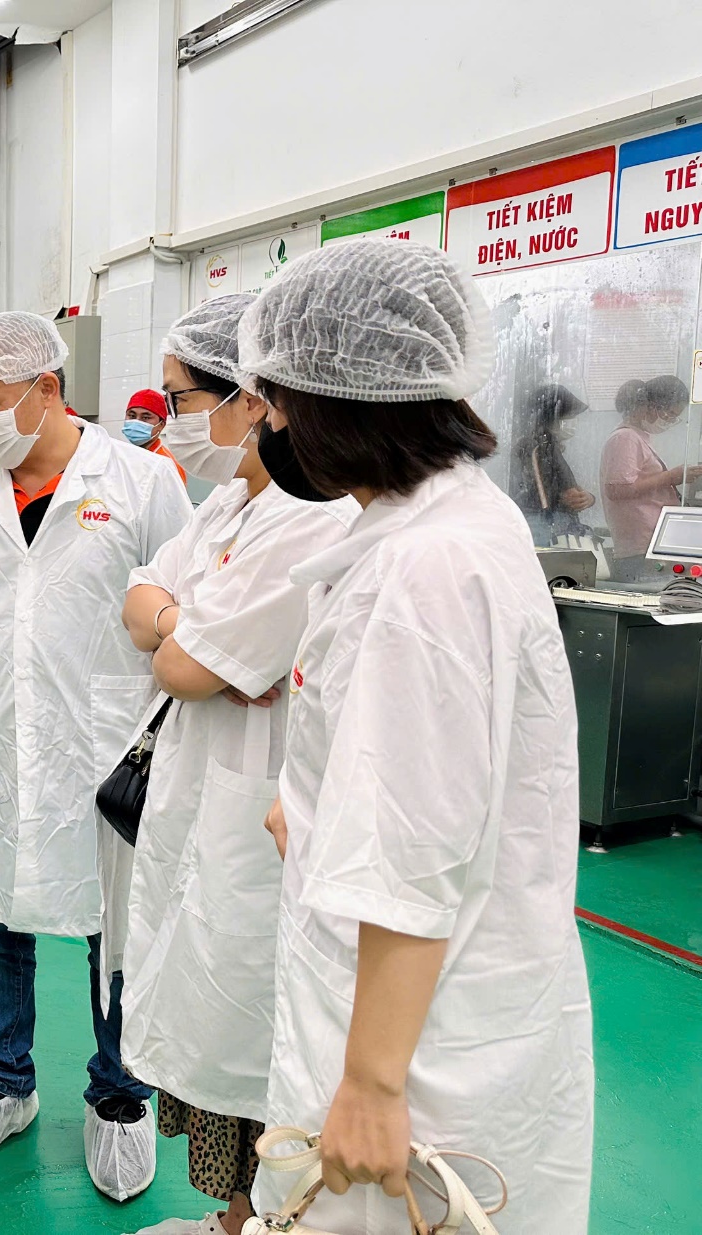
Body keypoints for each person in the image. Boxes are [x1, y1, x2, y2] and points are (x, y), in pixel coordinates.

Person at [234, 239, 593, 1234]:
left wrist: (371, 1084)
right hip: (450, 991)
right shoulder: (445, 524)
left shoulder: (422, 570)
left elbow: (414, 849)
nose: (266, 429)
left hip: (417, 1045)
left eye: (274, 405)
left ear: (334, 402)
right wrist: (306, 809)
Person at [0, 311, 192, 1198]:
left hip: (108, 742)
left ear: (47, 390)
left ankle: (119, 1093)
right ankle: (1, 1079)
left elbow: (181, 607)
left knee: (115, 925)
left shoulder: (142, 481)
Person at [116, 294, 359, 1235]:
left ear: (251, 400)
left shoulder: (311, 517)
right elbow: (143, 607)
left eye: (181, 399)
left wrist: (184, 635)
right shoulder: (229, 498)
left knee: (259, 1041)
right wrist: (190, 630)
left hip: (261, 821)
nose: (170, 421)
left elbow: (179, 656)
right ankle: (228, 1216)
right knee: (206, 1023)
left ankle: (253, 1220)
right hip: (200, 796)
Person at [601, 373, 692, 580]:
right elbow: (617, 489)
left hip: (651, 539)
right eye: (668, 414)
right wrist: (670, 477)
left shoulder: (640, 437)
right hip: (639, 544)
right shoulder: (625, 438)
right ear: (651, 406)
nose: (668, 421)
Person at [511, 383, 594, 546]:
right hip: (544, 526)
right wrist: (582, 498)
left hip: (542, 524)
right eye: (569, 416)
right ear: (552, 417)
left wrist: (589, 498)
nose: (574, 422)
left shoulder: (543, 445)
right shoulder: (541, 446)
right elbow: (567, 494)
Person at [123, 388, 187, 481]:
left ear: (161, 425)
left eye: (145, 417)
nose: (136, 422)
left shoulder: (167, 466)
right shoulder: (124, 456)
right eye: (132, 416)